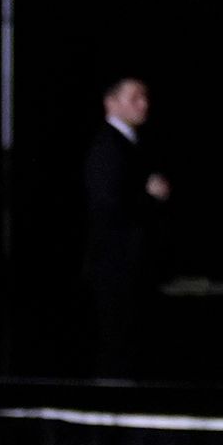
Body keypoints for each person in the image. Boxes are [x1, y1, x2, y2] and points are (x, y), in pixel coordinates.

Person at [78, 75, 168, 378]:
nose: (144, 105)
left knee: (132, 345)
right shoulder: (108, 146)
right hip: (115, 265)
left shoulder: (132, 144)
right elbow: (108, 205)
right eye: (134, 98)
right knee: (117, 347)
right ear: (111, 103)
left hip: (132, 264)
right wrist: (151, 197)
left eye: (145, 98)